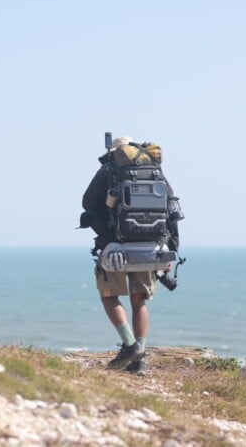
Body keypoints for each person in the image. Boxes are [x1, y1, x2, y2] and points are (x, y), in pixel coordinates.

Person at [80, 135, 181, 375]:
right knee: (139, 301)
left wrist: (106, 240)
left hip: (115, 247)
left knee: (110, 296)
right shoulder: (155, 172)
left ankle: (129, 345)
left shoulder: (109, 171)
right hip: (151, 247)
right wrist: (170, 248)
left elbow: (88, 204)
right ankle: (140, 359)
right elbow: (173, 210)